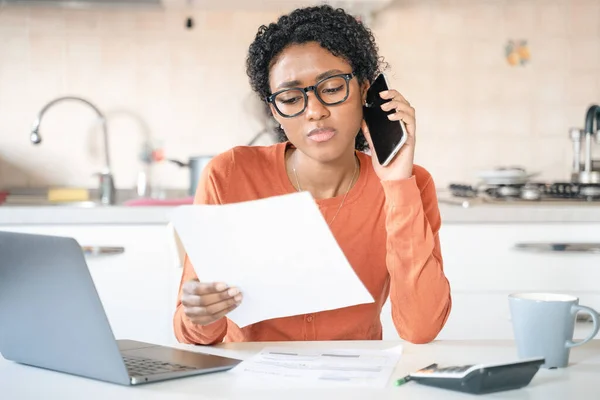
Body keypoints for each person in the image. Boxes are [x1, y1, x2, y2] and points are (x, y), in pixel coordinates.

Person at [173, 5, 451, 345]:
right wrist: (199, 313)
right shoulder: (229, 175)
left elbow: (421, 329)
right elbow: (193, 334)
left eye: (332, 88)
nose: (315, 112)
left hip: (354, 380)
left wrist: (396, 185)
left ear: (365, 90)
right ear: (275, 110)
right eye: (291, 98)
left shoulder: (411, 184)